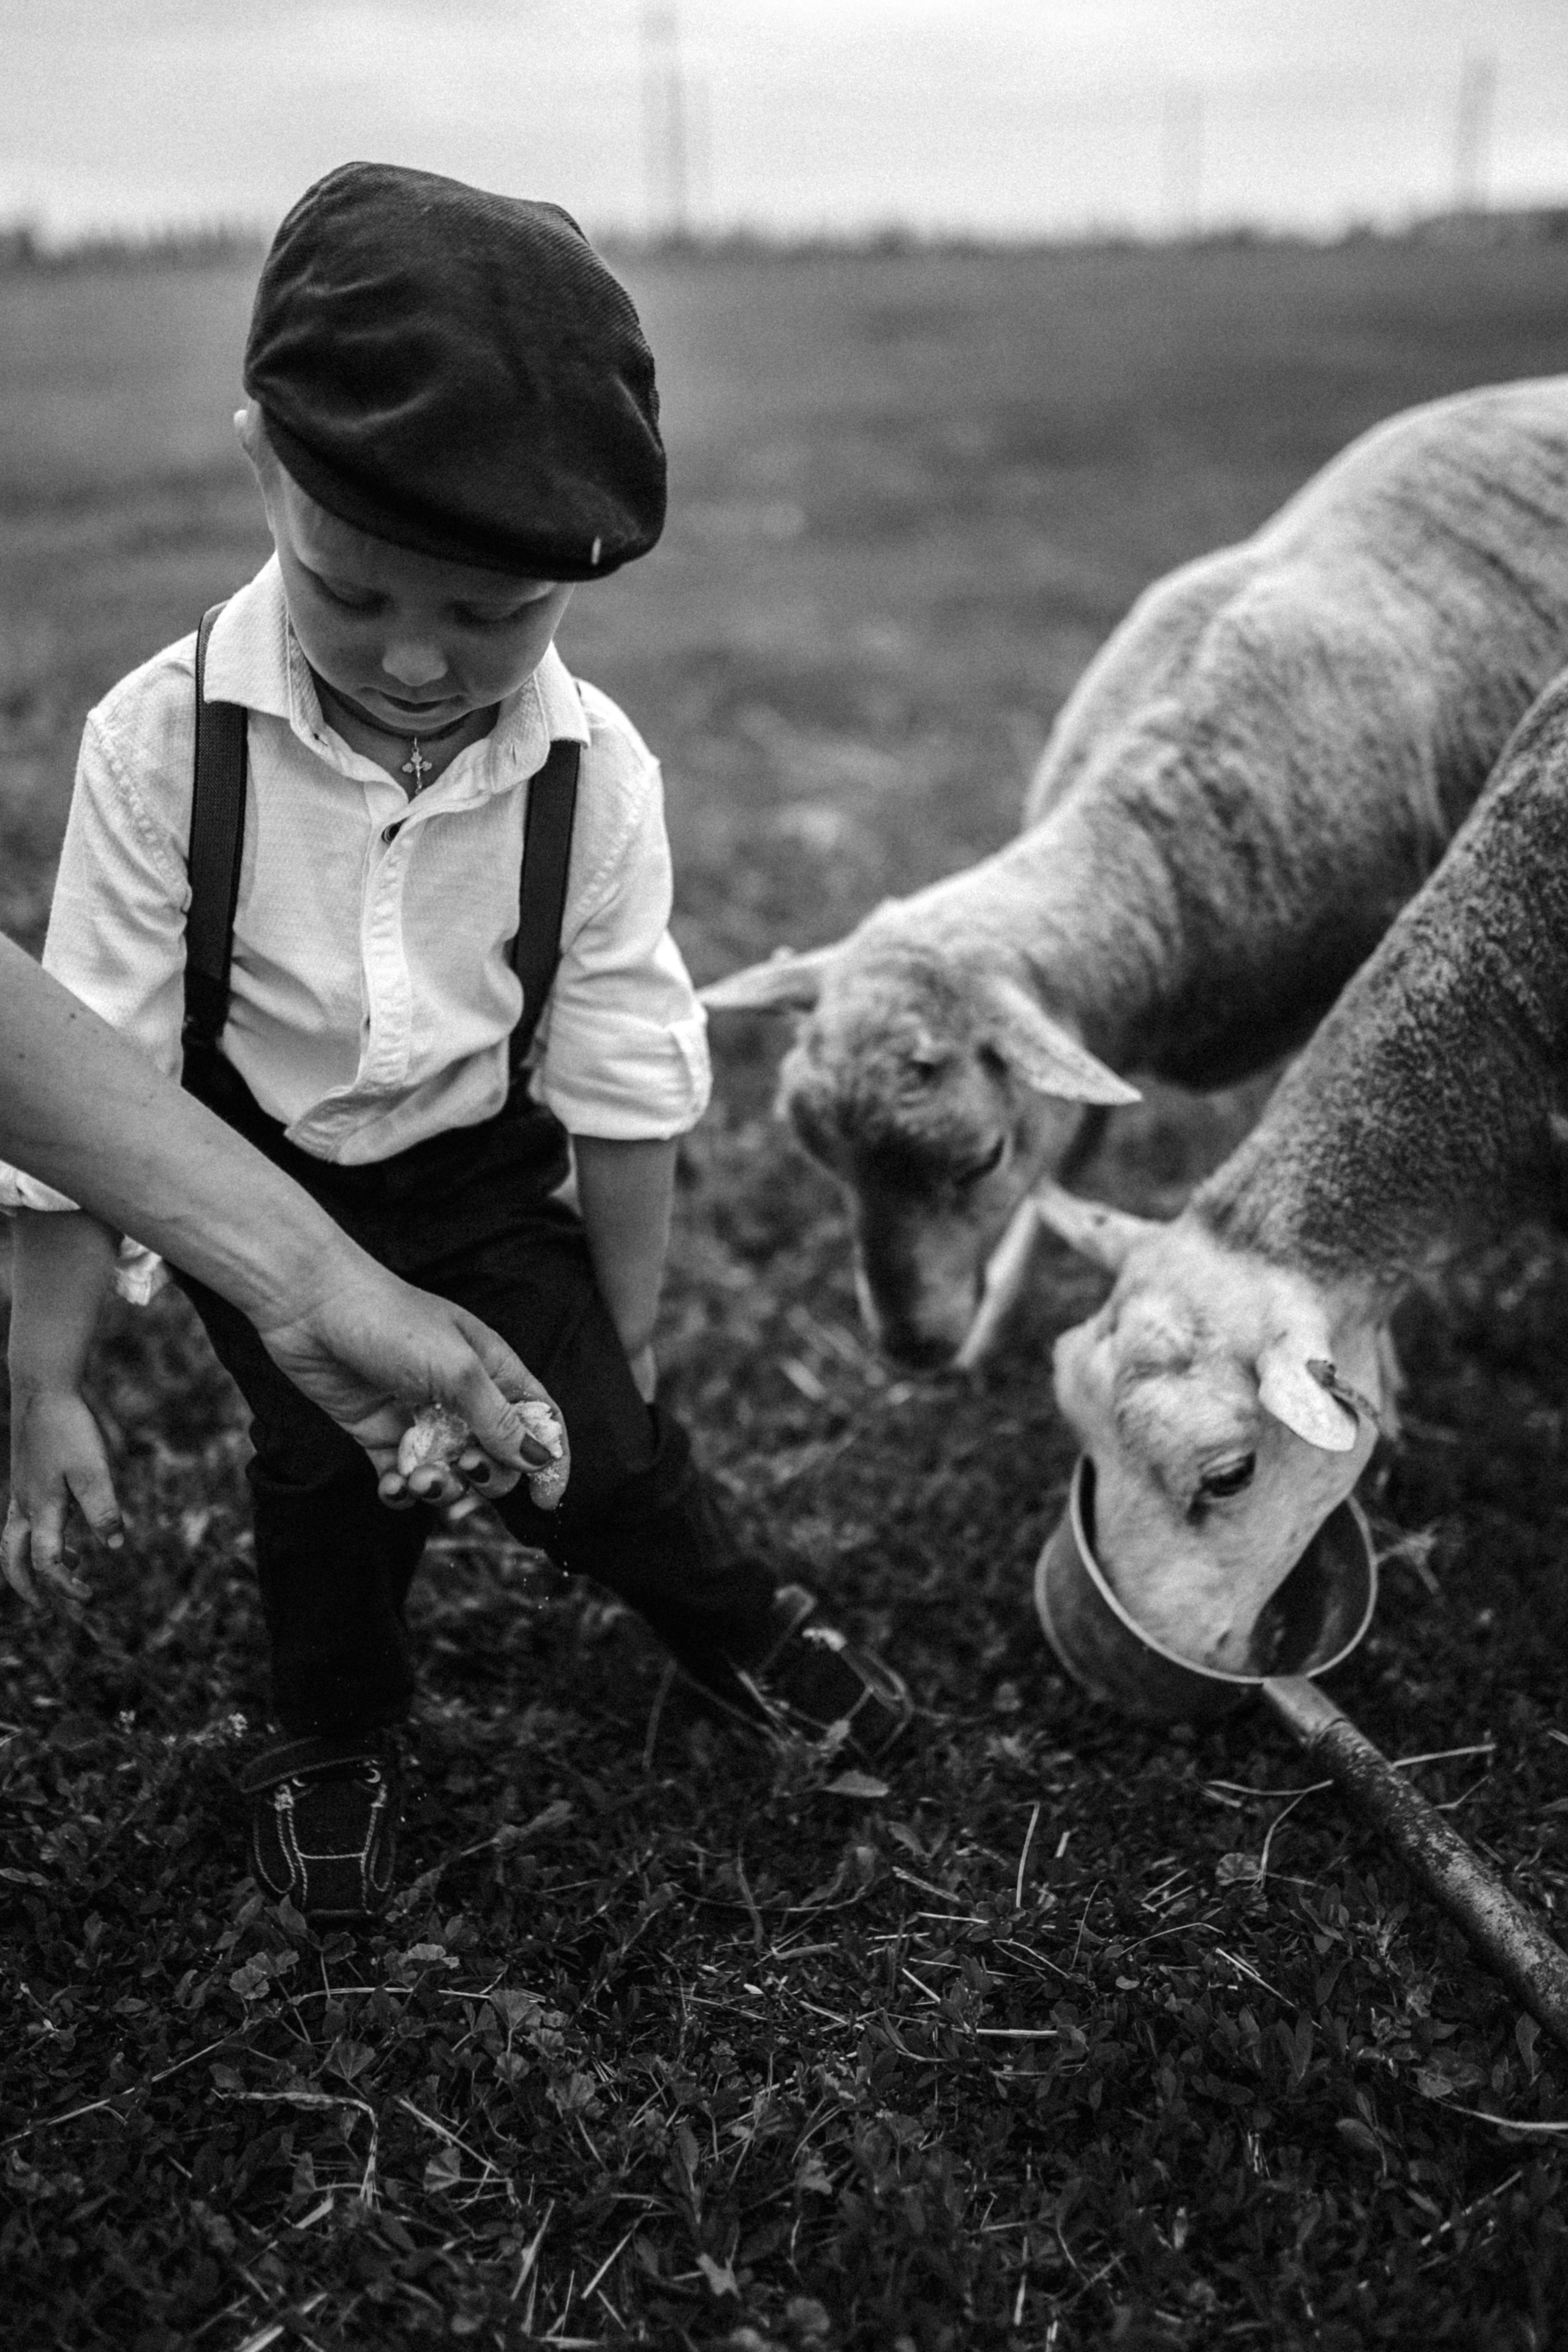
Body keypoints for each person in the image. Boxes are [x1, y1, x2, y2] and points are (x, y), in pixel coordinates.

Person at [2, 163, 909, 1924]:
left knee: (608, 1460)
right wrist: (45, 1380)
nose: (418, 663)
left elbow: (626, 1066)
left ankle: (739, 1632)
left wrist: (623, 1338)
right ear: (263, 466)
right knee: (327, 1482)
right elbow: (80, 1076)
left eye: (493, 617)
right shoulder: (155, 745)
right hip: (253, 1178)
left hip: (485, 1176)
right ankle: (338, 1731)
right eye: (353, 596)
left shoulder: (597, 772)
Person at [0, 934, 567, 1608]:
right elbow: (92, 1026)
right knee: (317, 1471)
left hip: (465, 1179)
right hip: (258, 1138)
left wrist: (317, 1292)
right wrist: (44, 1384)